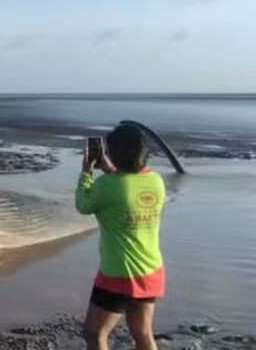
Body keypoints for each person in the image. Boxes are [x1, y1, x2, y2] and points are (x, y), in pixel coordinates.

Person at [76, 123, 166, 350]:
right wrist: (111, 169)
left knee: (95, 334)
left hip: (119, 274)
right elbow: (127, 186)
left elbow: (83, 204)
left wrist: (86, 173)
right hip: (151, 270)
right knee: (143, 334)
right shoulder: (156, 181)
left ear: (113, 153)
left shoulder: (108, 185)